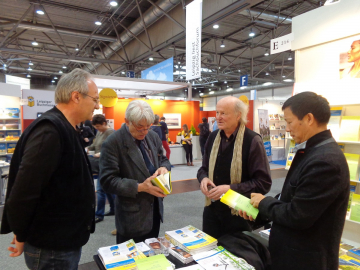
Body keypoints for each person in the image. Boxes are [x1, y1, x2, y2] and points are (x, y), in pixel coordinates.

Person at [0, 68, 99, 269]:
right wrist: (21, 232)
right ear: (76, 96)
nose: (97, 105)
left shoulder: (67, 128)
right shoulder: (50, 132)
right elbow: (24, 191)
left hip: (63, 240)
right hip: (52, 247)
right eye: (94, 99)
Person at [240, 92, 350, 270]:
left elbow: (298, 215)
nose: (287, 129)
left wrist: (264, 203)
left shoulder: (325, 161)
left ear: (308, 118)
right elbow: (292, 197)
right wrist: (259, 210)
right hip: (294, 254)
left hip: (305, 260)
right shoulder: (313, 152)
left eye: (289, 122)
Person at [197, 96, 271, 239]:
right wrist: (203, 178)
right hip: (212, 211)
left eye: (224, 113)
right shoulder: (213, 138)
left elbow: (263, 183)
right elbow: (203, 169)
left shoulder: (252, 140)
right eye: (217, 113)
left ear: (238, 115)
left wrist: (231, 189)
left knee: (237, 256)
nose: (218, 117)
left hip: (239, 214)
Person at [100, 100, 171, 244]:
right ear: (127, 121)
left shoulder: (152, 136)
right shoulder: (113, 142)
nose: (144, 132)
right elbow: (107, 181)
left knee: (150, 258)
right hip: (131, 217)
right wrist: (140, 187)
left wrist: (164, 168)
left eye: (148, 127)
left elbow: (163, 159)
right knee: (131, 263)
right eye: (140, 128)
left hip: (154, 211)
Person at [87, 114, 115, 223]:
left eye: (98, 126)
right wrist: (87, 149)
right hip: (99, 165)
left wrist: (101, 153)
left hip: (107, 165)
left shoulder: (111, 133)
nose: (96, 129)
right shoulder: (99, 132)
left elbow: (112, 149)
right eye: (95, 127)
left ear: (104, 123)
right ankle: (114, 209)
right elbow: (94, 145)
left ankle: (99, 214)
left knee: (100, 190)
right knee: (107, 190)